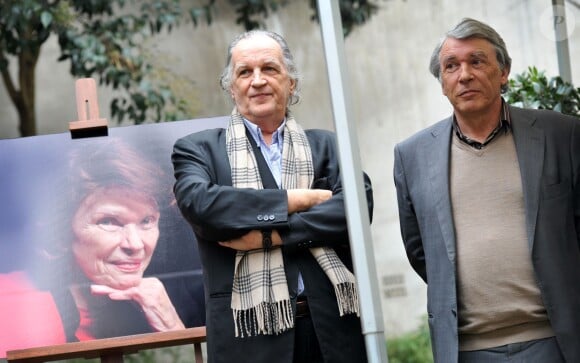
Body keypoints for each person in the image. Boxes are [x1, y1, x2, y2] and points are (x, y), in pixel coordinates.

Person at [172, 30, 373, 363]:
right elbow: (204, 206)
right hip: (249, 338)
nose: (258, 80)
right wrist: (297, 200)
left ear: (290, 82)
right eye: (244, 72)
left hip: (332, 330)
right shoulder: (199, 150)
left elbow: (357, 205)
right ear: (230, 87)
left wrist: (274, 234)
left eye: (270, 69)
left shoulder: (326, 145)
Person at [393, 18, 580, 363]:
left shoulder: (561, 135)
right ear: (442, 83)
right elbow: (423, 252)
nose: (464, 75)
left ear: (504, 71)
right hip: (466, 351)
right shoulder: (412, 156)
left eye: (476, 61)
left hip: (555, 340)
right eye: (451, 66)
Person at [40, 137, 188, 341]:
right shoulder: (20, 306)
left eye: (146, 220)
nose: (135, 244)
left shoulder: (158, 303)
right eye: (108, 222)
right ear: (61, 234)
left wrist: (172, 326)